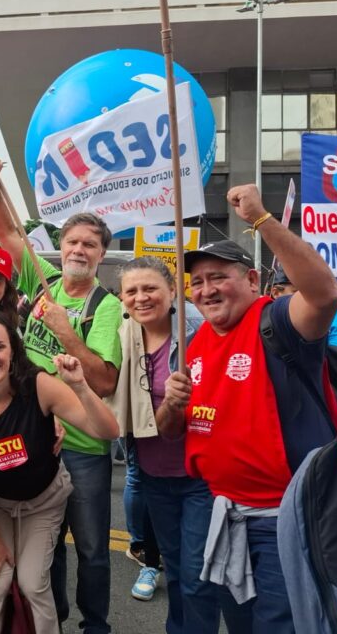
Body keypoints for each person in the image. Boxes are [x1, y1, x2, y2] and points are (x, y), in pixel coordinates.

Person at [159, 184, 337, 634]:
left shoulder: (275, 321)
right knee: (240, 624)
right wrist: (171, 408)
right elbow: (172, 433)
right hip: (225, 516)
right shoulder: (195, 343)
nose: (206, 290)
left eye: (219, 276)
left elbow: (325, 295)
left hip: (287, 520)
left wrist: (262, 219)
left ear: (252, 280)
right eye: (197, 282)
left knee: (280, 626)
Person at [0, 156, 123, 634]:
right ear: (59, 247)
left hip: (84, 448)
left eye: (90, 244)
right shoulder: (44, 281)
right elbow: (6, 233)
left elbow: (104, 382)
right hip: (38, 439)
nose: (79, 250)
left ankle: (96, 626)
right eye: (72, 241)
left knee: (90, 548)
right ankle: (54, 621)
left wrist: (66, 333)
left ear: (102, 254)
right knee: (50, 549)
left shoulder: (107, 307)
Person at [0, 310, 120, 634]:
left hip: (44, 501)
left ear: (13, 350)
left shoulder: (39, 385)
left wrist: (80, 386)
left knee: (33, 583)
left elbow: (108, 430)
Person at [115, 256, 236, 630]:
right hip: (153, 474)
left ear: (172, 291)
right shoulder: (121, 336)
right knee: (177, 570)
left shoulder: (202, 332)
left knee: (198, 578)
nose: (141, 298)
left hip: (200, 476)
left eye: (150, 288)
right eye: (131, 291)